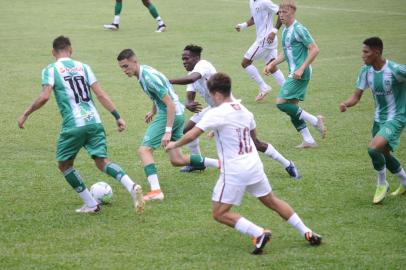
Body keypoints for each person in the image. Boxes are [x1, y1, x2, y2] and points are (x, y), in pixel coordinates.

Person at [166, 72, 321, 255]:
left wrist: (174, 144)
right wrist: (220, 131)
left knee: (219, 213)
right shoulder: (244, 110)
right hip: (254, 165)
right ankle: (307, 231)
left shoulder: (216, 113)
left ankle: (259, 233)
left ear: (215, 94)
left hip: (234, 170)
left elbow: (192, 134)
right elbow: (252, 138)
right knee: (272, 201)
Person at [17, 36, 145, 214]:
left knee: (64, 165)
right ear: (71, 50)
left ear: (53, 52)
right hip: (94, 121)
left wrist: (26, 113)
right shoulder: (84, 67)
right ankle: (132, 186)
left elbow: (45, 96)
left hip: (74, 125)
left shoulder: (50, 69)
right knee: (102, 162)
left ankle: (91, 205)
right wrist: (117, 116)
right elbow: (101, 95)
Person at [170, 44, 300, 179]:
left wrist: (168, 81)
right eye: (183, 59)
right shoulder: (191, 74)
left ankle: (287, 164)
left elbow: (191, 79)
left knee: (255, 143)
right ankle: (197, 162)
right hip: (213, 109)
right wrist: (189, 102)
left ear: (196, 58)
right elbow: (190, 92)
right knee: (186, 130)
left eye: (187, 58)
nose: (184, 62)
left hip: (230, 109)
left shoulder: (203, 65)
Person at [116, 49, 220, 201]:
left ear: (134, 61)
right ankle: (220, 163)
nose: (124, 70)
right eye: (121, 68)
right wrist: (153, 110)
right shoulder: (143, 72)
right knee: (177, 160)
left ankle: (156, 191)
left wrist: (167, 131)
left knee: (144, 150)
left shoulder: (148, 77)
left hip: (170, 113)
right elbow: (158, 95)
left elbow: (169, 104)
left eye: (126, 66)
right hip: (177, 113)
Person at [339, 37, 406, 204]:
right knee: (383, 152)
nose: (363, 55)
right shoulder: (366, 71)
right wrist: (346, 104)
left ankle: (382, 184)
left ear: (377, 52)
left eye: (366, 52)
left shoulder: (395, 69)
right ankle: (405, 181)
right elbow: (356, 96)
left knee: (373, 149)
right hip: (378, 119)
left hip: (396, 117)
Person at [264, 0, 326, 148]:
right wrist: (272, 63)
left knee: (281, 104)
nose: (281, 15)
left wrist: (301, 68)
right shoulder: (285, 30)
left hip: (300, 73)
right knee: (292, 108)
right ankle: (308, 140)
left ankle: (316, 121)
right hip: (295, 72)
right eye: (279, 12)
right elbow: (286, 53)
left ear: (292, 13)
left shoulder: (299, 29)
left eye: (284, 12)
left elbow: (314, 49)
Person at [235, 0, 285, 102]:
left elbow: (281, 13)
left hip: (265, 40)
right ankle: (287, 90)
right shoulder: (252, 2)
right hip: (265, 40)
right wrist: (243, 25)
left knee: (245, 63)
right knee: (272, 66)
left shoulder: (264, 2)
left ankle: (264, 87)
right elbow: (254, 17)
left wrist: (274, 32)